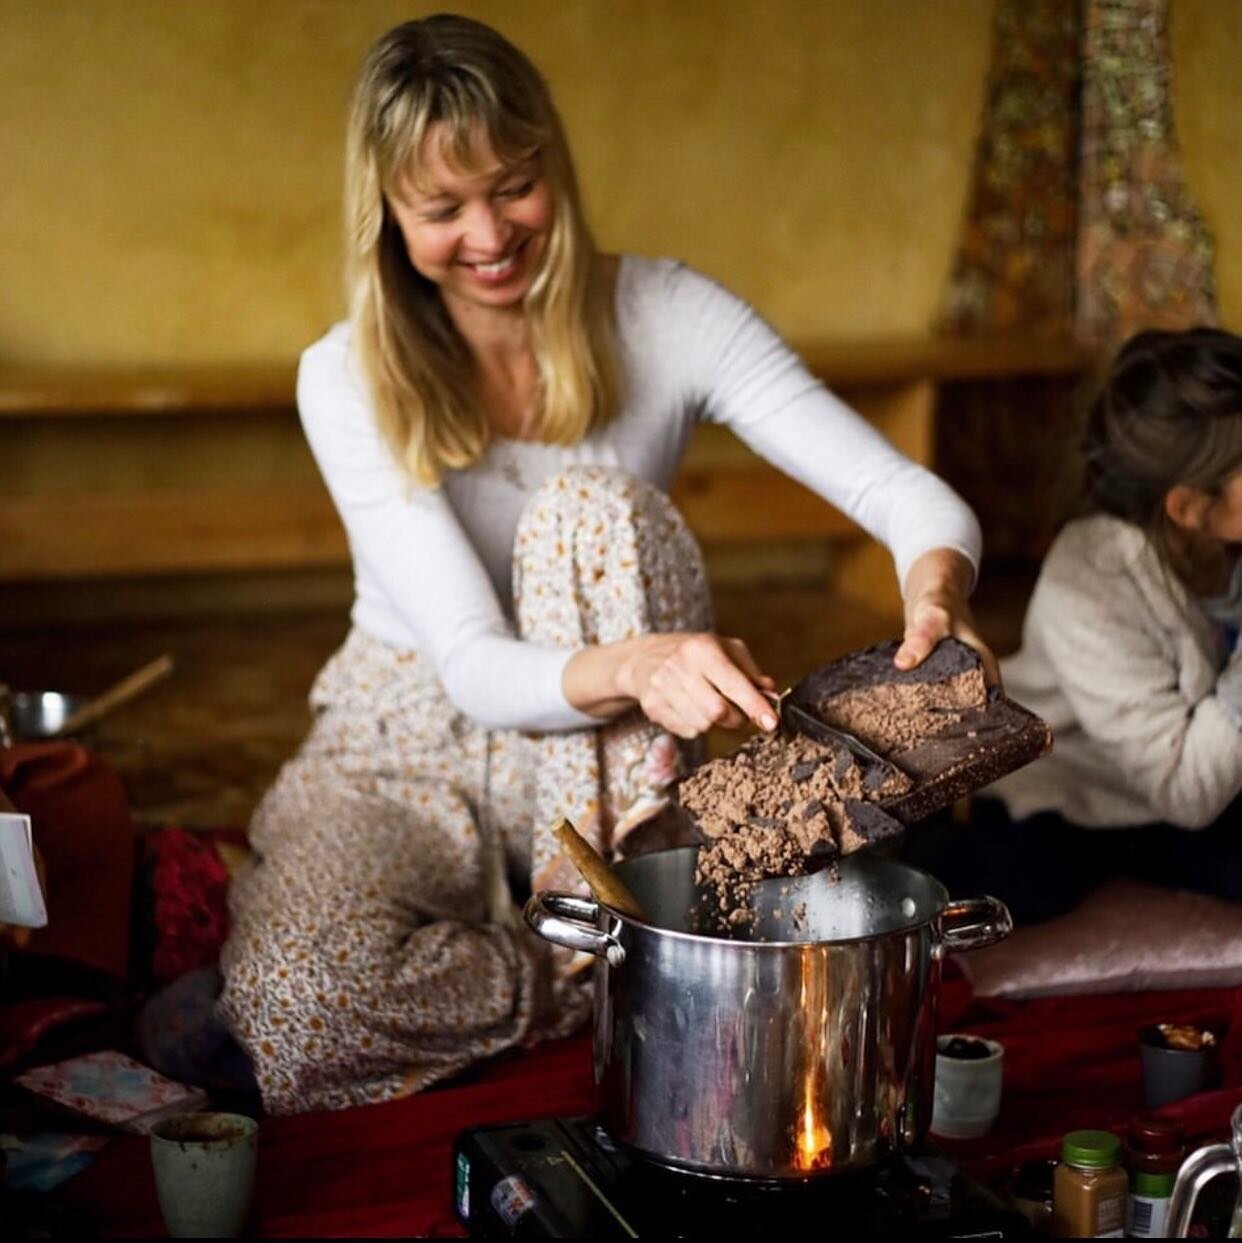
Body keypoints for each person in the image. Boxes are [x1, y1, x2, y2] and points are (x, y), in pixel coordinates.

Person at [219, 13, 990, 1114]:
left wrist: (937, 592)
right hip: (409, 728)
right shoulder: (345, 374)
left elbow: (909, 497)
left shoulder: (668, 312)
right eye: (441, 209)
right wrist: (641, 661)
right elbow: (477, 665)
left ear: (554, 168)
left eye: (513, 186)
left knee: (591, 511)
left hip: (615, 763)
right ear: (388, 218)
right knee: (296, 1006)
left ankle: (599, 924)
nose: (488, 233)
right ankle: (596, 966)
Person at [906, 327, 1242, 925]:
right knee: (1015, 889)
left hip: (1210, 766)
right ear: (1189, 507)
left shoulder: (1226, 535)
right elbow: (1187, 791)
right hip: (1074, 789)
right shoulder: (1089, 584)